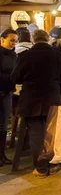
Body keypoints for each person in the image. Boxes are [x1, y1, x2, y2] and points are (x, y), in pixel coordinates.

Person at [11, 30, 61, 176]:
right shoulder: (59, 55)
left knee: (36, 135)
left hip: (31, 99)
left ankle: (41, 168)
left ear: (33, 39)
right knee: (53, 133)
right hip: (53, 97)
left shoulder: (25, 56)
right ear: (48, 39)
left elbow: (15, 77)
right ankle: (53, 163)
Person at [0, 28, 17, 166]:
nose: (14, 43)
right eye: (11, 40)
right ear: (2, 39)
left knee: (4, 124)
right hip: (1, 90)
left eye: (15, 41)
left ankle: (2, 154)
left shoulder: (13, 55)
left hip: (7, 93)